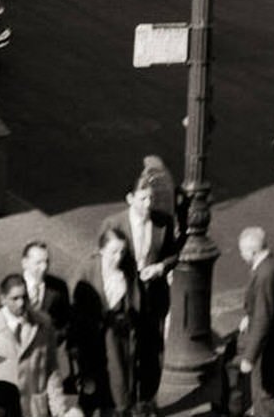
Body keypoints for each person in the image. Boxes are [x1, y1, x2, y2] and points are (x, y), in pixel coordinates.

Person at [111, 171, 178, 417]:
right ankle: (125, 402)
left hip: (154, 297)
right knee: (126, 352)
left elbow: (173, 253)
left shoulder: (163, 222)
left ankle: (146, 401)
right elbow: (104, 261)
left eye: (150, 198)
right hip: (126, 299)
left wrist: (161, 267)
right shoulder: (114, 225)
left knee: (152, 351)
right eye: (142, 199)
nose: (148, 204)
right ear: (130, 199)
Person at [69, 224, 139, 417]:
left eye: (122, 252)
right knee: (91, 391)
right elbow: (74, 308)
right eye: (113, 252)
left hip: (116, 341)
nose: (118, 257)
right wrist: (75, 343)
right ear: (101, 250)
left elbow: (134, 301)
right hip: (91, 341)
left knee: (117, 388)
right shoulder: (87, 269)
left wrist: (126, 319)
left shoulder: (127, 269)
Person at [0, 278, 68, 417]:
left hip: (35, 409)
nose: (21, 303)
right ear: (3, 299)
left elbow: (51, 368)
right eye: (14, 298)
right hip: (4, 409)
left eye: (24, 297)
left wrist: (59, 407)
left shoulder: (43, 323)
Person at [235, 228, 274, 417]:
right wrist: (248, 317)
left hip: (266, 346)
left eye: (242, 252)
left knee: (264, 391)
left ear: (252, 251)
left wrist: (250, 357)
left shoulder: (264, 274)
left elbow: (263, 318)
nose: (241, 256)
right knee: (267, 387)